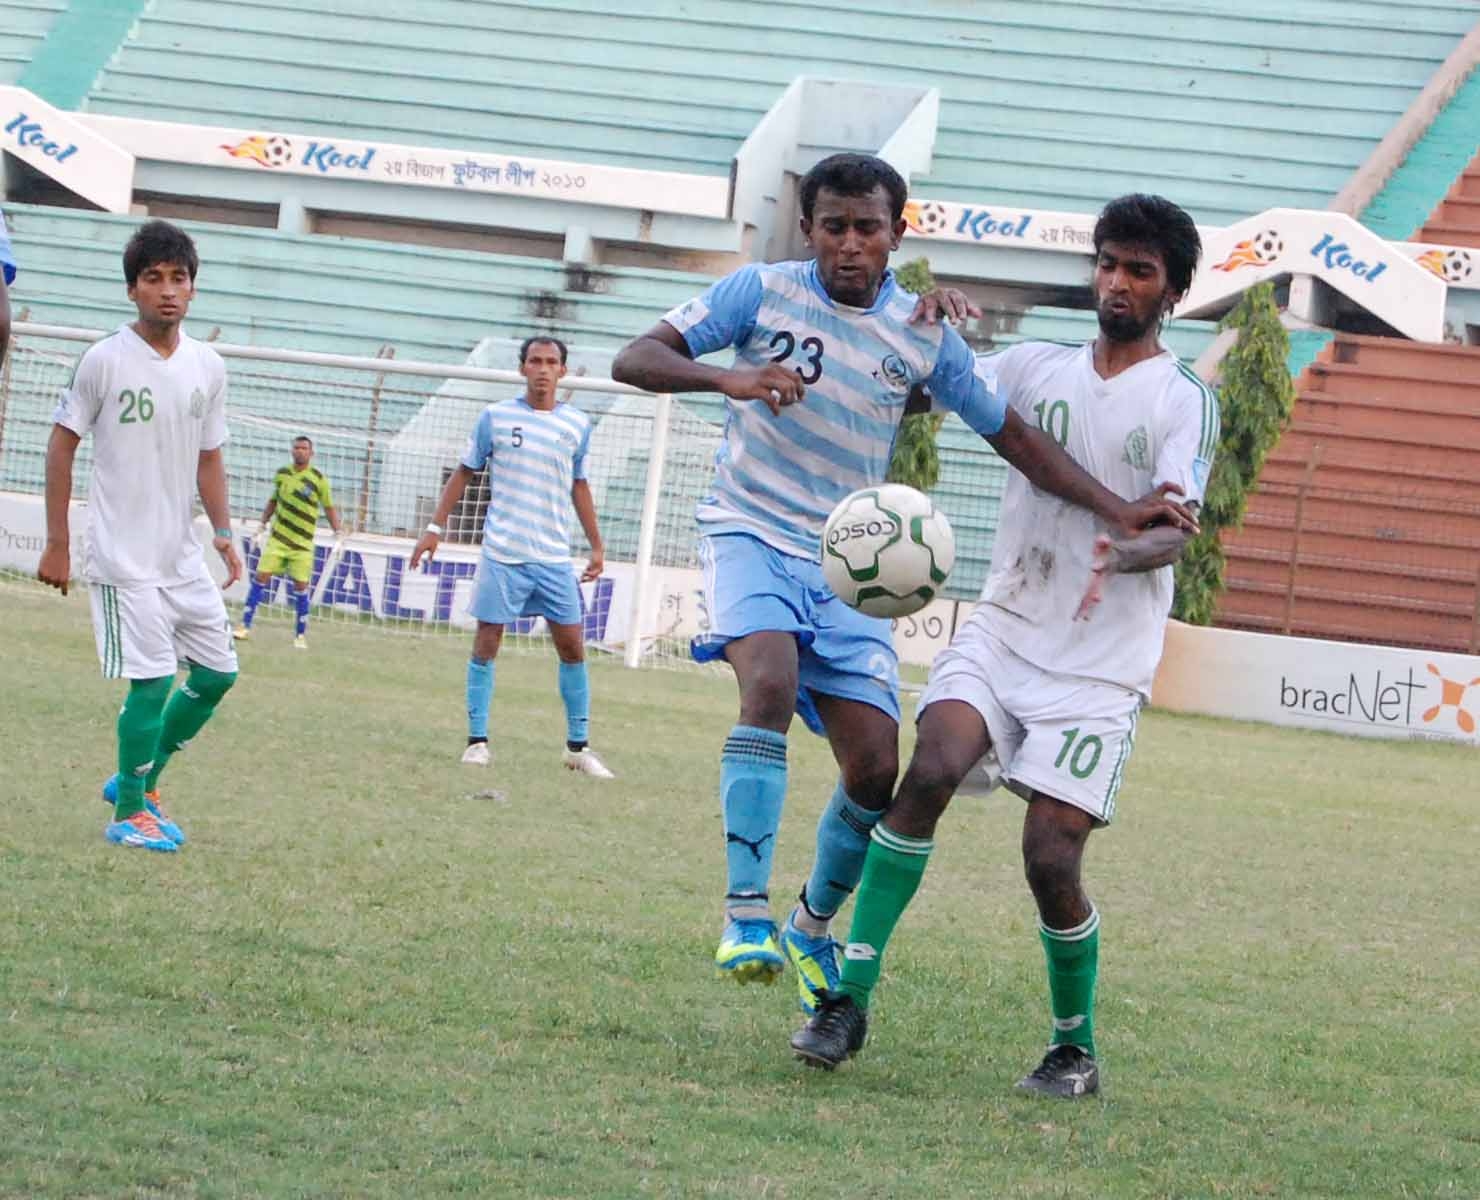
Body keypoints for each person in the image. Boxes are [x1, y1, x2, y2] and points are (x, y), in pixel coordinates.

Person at [611, 155, 1196, 1013]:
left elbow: (1015, 439)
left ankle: (810, 926)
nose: (849, 244)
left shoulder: (922, 334)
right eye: (833, 227)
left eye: (868, 228)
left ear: (897, 233)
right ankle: (745, 914)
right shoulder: (757, 293)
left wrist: (1119, 512)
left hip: (853, 561)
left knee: (877, 770)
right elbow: (635, 358)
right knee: (768, 683)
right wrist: (728, 376)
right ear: (807, 229)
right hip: (751, 530)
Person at [789, 194, 1217, 1098]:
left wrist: (1130, 550)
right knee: (930, 770)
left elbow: (1174, 528)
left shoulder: (1184, 400)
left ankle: (1074, 1049)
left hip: (1101, 666)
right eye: (1108, 264)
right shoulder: (1029, 365)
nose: (1117, 283)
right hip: (1005, 626)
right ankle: (845, 1002)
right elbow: (916, 386)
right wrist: (923, 324)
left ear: (1173, 291)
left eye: (1140, 271)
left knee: (1050, 856)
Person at [36, 219, 241, 853]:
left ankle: (141, 780)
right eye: (153, 278)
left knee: (217, 674)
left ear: (193, 288)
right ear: (132, 290)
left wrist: (223, 532)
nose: (168, 290)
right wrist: (58, 542)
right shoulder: (105, 359)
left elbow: (210, 455)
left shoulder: (208, 366)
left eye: (179, 278)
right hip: (122, 555)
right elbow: (61, 446)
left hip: (179, 554)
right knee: (151, 681)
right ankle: (128, 810)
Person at [409, 335, 615, 779]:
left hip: (553, 556)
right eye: (535, 361)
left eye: (551, 362)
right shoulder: (496, 418)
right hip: (503, 553)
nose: (543, 369)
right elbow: (464, 471)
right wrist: (433, 528)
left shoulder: (577, 425)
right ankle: (477, 742)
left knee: (572, 647)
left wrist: (596, 545)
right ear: (522, 368)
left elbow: (579, 485)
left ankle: (577, 748)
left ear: (563, 371)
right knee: (487, 642)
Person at [234, 435, 343, 649]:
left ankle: (300, 635)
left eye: (304, 448)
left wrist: (338, 533)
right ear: (292, 451)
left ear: (311, 453)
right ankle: (244, 626)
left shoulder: (318, 479)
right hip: (278, 540)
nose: (300, 451)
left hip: (302, 545)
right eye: (297, 448)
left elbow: (329, 508)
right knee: (260, 577)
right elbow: (273, 501)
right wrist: (262, 525)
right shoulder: (282, 474)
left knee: (301, 587)